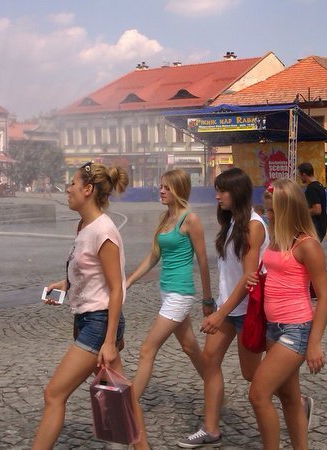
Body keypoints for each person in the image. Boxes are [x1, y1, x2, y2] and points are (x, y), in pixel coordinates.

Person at [32, 162, 135, 449]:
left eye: (73, 184)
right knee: (121, 396)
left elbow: (116, 288)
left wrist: (110, 341)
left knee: (54, 394)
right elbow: (90, 272)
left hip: (99, 323)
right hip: (88, 319)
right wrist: (65, 285)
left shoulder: (104, 231)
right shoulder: (84, 226)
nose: (67, 189)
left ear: (88, 190)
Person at [178, 167, 268, 448]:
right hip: (228, 308)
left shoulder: (254, 226)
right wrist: (214, 303)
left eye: (222, 191)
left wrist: (220, 313)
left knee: (252, 374)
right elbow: (229, 273)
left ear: (237, 193)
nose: (217, 196)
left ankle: (296, 401)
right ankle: (211, 429)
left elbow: (249, 278)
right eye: (217, 191)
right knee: (209, 360)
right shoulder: (232, 223)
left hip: (247, 310)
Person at [126, 169, 212, 449]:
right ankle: (215, 389)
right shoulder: (166, 218)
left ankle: (127, 407)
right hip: (167, 292)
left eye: (166, 187)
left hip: (180, 294)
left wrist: (207, 300)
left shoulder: (190, 219)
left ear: (179, 189)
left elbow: (203, 260)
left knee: (146, 349)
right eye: (160, 186)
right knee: (190, 347)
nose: (161, 191)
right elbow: (154, 256)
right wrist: (129, 280)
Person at [246, 178, 327, 450]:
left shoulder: (307, 245)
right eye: (267, 210)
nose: (268, 216)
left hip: (296, 329)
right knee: (290, 398)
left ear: (288, 210)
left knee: (258, 394)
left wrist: (314, 343)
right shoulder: (277, 239)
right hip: (273, 327)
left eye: (273, 211)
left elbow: (324, 296)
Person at [297, 162, 327, 294]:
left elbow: (317, 209)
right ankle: (314, 287)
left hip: (315, 227)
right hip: (320, 225)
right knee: (308, 257)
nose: (300, 178)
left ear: (304, 174)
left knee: (309, 257)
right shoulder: (319, 185)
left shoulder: (311, 189)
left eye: (300, 175)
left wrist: (302, 212)